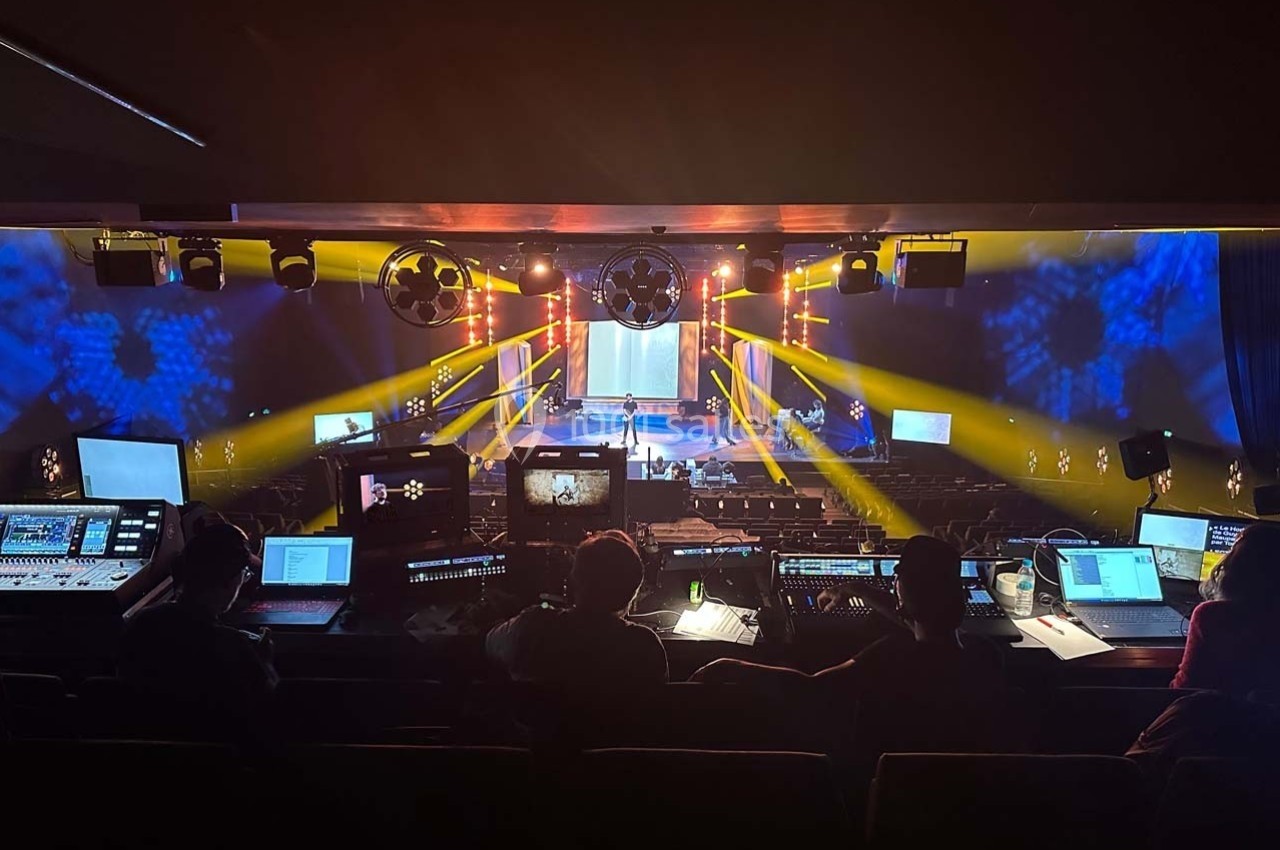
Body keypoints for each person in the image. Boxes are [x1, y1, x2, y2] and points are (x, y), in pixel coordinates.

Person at [691, 536, 1003, 701]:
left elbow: (811, 687)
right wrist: (856, 589)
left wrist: (732, 667)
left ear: (902, 593)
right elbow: (921, 619)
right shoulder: (985, 654)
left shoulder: (892, 655)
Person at [1127, 525, 1280, 784]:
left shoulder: (1212, 615)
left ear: (1237, 567)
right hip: (1265, 749)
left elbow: (1185, 690)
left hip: (1208, 735)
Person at [118, 524, 279, 743]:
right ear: (230, 581)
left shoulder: (141, 622)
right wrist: (265, 661)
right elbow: (273, 710)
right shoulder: (232, 645)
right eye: (244, 574)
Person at [486, 530, 668, 687]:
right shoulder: (646, 646)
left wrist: (495, 616)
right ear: (633, 594)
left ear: (574, 580)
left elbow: (490, 643)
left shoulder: (532, 627)